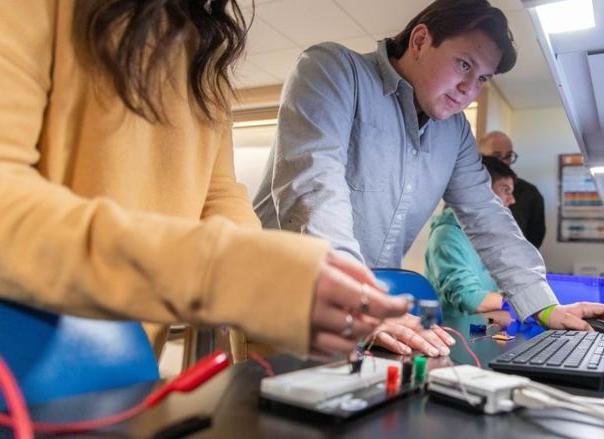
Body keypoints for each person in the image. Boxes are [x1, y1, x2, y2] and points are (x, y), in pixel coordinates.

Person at [0, 0, 411, 362]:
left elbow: (219, 194)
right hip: (24, 355)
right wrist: (231, 275)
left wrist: (284, 302)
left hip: (122, 370)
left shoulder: (203, 44)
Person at [254, 0, 604, 339]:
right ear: (419, 40)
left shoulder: (454, 132)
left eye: (482, 78)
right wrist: (361, 300)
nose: (469, 88)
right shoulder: (333, 70)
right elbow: (314, 192)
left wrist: (544, 305)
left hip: (367, 314)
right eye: (464, 64)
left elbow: (486, 216)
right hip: (288, 298)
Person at [425, 156, 515, 315]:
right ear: (481, 190)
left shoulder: (484, 235)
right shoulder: (446, 236)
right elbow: (470, 298)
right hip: (456, 338)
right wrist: (527, 301)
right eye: (505, 189)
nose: (512, 200)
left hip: (483, 333)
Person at [479, 131, 546, 249]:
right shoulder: (464, 191)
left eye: (509, 156)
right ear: (480, 156)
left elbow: (535, 238)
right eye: (497, 156)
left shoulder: (530, 194)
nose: (504, 162)